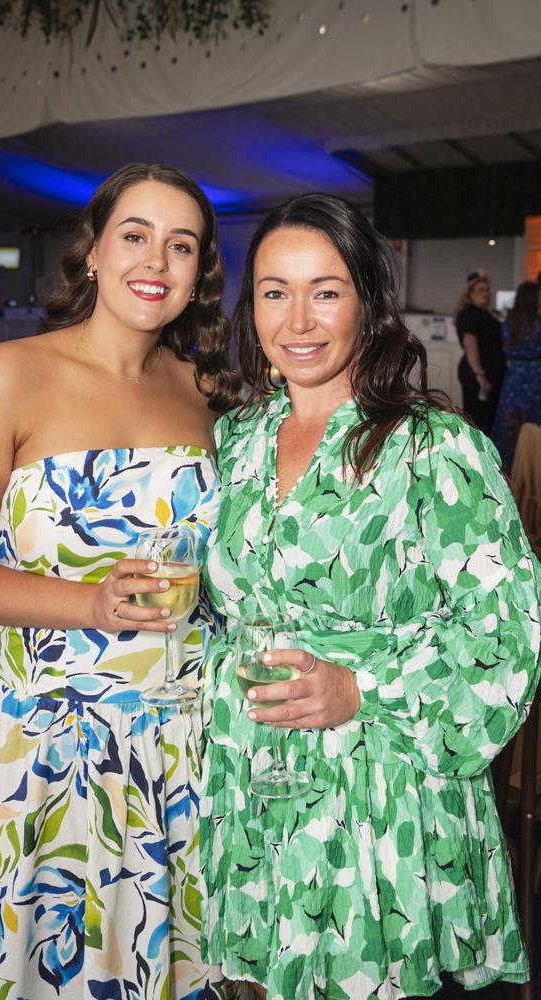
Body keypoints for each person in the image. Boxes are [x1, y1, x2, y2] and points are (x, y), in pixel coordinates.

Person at [199, 194, 541, 1000]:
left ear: (368, 301)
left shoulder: (434, 446)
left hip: (377, 787)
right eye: (275, 291)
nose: (299, 319)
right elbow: (229, 600)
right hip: (252, 775)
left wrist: (361, 686)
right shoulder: (236, 440)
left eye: (326, 290)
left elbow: (508, 630)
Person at [0, 163, 239, 998]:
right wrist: (90, 603)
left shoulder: (207, 392)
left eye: (181, 246)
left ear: (197, 273)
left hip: (185, 741)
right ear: (94, 251)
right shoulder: (8, 375)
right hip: (56, 742)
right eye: (135, 236)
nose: (155, 261)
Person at [491, 280, 541, 472]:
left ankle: (506, 467)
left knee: (510, 422)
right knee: (533, 423)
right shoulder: (538, 324)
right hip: (536, 376)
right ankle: (531, 467)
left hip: (514, 377)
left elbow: (504, 349)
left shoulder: (508, 323)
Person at [454, 270, 505, 434]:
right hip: (478, 373)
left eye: (487, 289)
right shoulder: (470, 313)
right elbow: (470, 344)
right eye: (481, 289)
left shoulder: (485, 314)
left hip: (487, 373)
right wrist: (480, 374)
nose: (486, 293)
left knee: (486, 419)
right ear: (470, 293)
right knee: (478, 419)